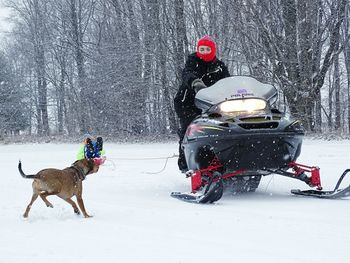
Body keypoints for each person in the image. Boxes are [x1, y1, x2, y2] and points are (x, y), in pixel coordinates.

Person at [174, 36, 230, 172]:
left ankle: (223, 158)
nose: (204, 52)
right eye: (201, 49)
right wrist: (195, 82)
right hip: (188, 102)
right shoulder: (193, 61)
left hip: (212, 103)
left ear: (213, 50)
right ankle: (185, 163)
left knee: (224, 126)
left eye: (207, 49)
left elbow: (228, 81)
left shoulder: (219, 66)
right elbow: (188, 74)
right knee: (190, 127)